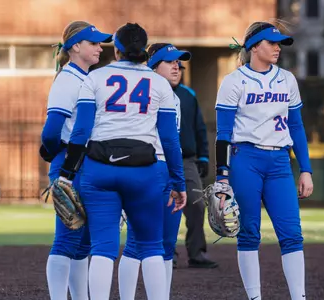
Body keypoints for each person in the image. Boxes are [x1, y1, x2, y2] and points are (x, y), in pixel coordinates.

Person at [58, 23, 187, 300]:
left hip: (99, 169)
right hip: (144, 171)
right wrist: (178, 180)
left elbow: (80, 132)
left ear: (116, 49)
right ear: (144, 49)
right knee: (152, 246)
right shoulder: (160, 83)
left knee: (103, 246)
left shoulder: (95, 77)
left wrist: (67, 174)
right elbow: (170, 139)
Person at [214, 21, 314, 300]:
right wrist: (222, 176)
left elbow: (297, 127)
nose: (277, 47)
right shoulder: (234, 81)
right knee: (249, 233)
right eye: (272, 42)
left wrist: (305, 169)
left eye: (279, 43)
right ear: (254, 46)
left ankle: (299, 297)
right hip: (245, 158)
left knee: (292, 234)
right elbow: (223, 133)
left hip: (280, 162)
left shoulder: (287, 79)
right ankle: (255, 297)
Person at [39, 21, 112, 300]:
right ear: (75, 47)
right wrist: (54, 151)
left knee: (84, 243)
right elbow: (51, 130)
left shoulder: (85, 77)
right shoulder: (68, 79)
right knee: (67, 238)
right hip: (70, 161)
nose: (99, 47)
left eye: (100, 43)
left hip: (86, 163)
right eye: (93, 42)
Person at [118, 43, 190, 299]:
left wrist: (176, 177)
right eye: (169, 61)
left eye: (178, 62)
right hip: (142, 170)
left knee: (168, 244)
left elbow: (173, 143)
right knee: (137, 244)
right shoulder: (137, 92)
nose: (177, 66)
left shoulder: (176, 98)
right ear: (152, 64)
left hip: (167, 171)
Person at [174, 56, 216, 269]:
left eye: (180, 68)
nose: (177, 70)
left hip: (186, 159)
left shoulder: (188, 95)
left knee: (197, 205)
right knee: (165, 207)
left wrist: (204, 156)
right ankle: (166, 253)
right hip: (159, 159)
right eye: (174, 66)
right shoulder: (151, 92)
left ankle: (196, 252)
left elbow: (200, 128)